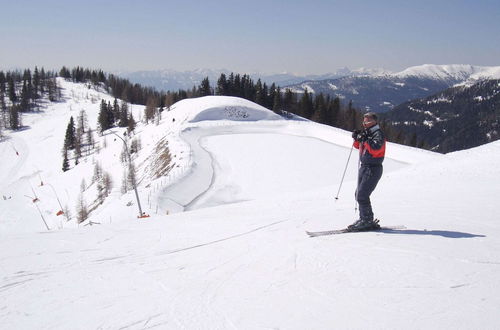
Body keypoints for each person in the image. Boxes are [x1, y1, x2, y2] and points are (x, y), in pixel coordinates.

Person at [349, 112, 386, 230]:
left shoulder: (378, 134)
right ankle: (364, 218)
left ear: (375, 121)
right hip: (365, 167)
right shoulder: (368, 132)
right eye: (364, 121)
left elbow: (376, 149)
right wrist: (357, 138)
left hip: (373, 167)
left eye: (368, 121)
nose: (365, 123)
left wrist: (364, 139)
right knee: (359, 194)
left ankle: (367, 220)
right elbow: (358, 146)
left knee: (362, 195)